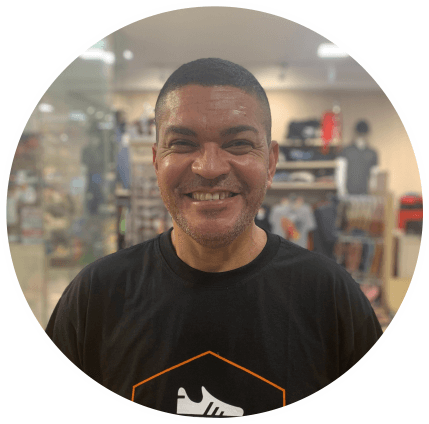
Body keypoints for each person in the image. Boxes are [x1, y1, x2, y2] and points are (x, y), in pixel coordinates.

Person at [46, 58, 383, 416]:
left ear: (270, 163)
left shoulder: (331, 298)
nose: (209, 168)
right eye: (182, 143)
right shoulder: (95, 296)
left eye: (238, 144)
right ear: (157, 161)